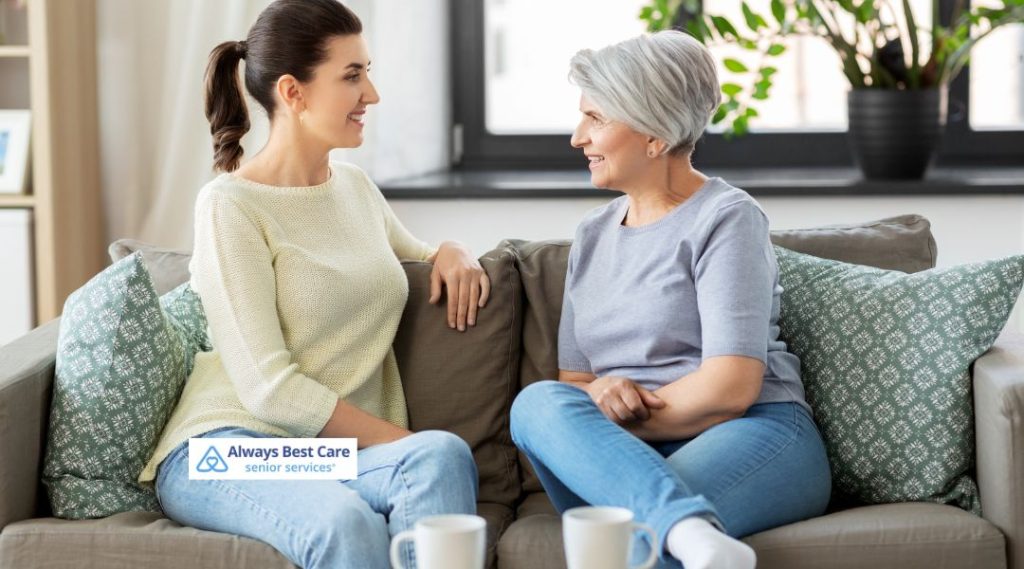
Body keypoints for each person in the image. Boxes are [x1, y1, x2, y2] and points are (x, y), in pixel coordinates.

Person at [137, 1, 488, 567]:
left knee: (441, 455)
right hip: (229, 449)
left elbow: (420, 254)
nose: (370, 94)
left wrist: (456, 250)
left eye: (367, 72)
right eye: (352, 76)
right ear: (293, 92)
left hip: (324, 454)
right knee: (343, 518)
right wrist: (398, 442)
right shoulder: (230, 206)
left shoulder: (353, 187)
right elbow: (268, 390)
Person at [510, 30, 832, 569]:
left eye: (596, 119)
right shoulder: (591, 235)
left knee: (630, 541)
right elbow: (575, 388)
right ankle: (687, 530)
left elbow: (732, 387)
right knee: (534, 404)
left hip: (752, 433)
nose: (576, 137)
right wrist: (604, 396)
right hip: (621, 455)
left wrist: (616, 426)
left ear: (655, 135)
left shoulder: (726, 218)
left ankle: (673, 526)